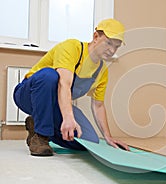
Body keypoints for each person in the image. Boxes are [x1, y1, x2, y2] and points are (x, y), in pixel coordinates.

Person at [13, 18, 130, 156]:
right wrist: (68, 118)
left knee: (89, 141)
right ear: (96, 37)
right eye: (108, 43)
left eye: (116, 46)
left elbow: (98, 106)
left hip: (55, 104)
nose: (111, 50)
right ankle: (41, 137)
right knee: (49, 76)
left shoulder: (102, 71)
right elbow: (64, 84)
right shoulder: (72, 48)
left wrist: (108, 136)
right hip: (28, 95)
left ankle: (37, 124)